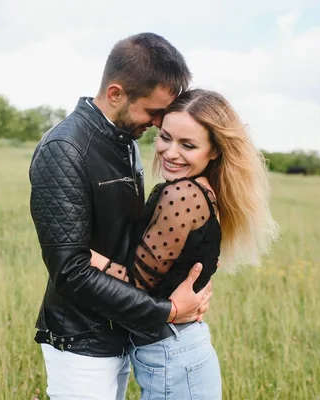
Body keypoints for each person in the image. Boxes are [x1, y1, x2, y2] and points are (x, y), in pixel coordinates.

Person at [29, 33, 213, 400]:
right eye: (153, 111)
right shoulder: (64, 149)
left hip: (121, 330)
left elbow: (132, 243)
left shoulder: (125, 141)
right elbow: (70, 272)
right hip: (81, 341)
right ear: (115, 94)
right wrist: (166, 311)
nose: (161, 122)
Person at [90, 88, 280, 399]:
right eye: (165, 137)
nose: (170, 152)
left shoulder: (183, 194)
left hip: (173, 356)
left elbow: (138, 286)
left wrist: (82, 256)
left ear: (214, 151)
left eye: (188, 145)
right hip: (179, 351)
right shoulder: (199, 189)